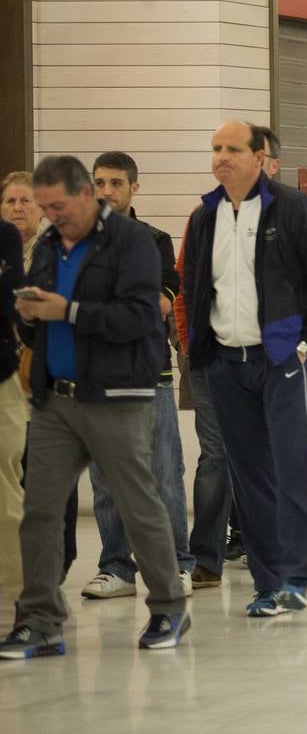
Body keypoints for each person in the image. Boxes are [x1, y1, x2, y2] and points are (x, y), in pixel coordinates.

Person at [3, 156, 189, 659]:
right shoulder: (47, 247)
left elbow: (138, 317)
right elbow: (37, 317)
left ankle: (169, 608)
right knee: (41, 512)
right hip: (55, 398)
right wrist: (27, 315)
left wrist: (70, 311)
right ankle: (40, 621)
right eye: (45, 209)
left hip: (116, 396)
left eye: (58, 206)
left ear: (85, 195)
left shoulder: (133, 243)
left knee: (138, 503)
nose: (51, 215)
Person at [182, 120, 307, 617]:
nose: (221, 157)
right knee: (248, 475)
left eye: (232, 148)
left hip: (281, 360)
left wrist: (304, 345)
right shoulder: (206, 216)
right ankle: (266, 582)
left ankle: (296, 577)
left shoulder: (292, 210)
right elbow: (193, 285)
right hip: (225, 364)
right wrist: (199, 348)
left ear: (260, 157)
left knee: (292, 467)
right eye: (215, 148)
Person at [80, 152, 196, 597]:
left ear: (134, 188)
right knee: (104, 477)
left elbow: (162, 303)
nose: (107, 191)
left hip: (148, 374)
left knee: (164, 473)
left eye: (116, 183)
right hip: (94, 377)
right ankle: (117, 568)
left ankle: (176, 564)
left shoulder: (155, 240)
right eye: (100, 183)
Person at [1, 173, 77, 576]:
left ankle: (56, 564)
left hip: (46, 379)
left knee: (49, 480)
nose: (17, 207)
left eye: (25, 201)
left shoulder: (53, 253)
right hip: (8, 381)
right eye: (10, 201)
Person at [0, 218, 23, 617]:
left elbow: (13, 304)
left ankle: (29, 603)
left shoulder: (5, 236)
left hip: (2, 375)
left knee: (7, 496)